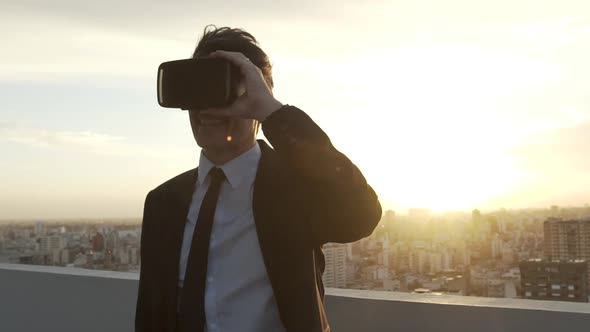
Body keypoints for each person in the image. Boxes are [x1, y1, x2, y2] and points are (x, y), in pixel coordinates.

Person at [135, 25, 382, 332]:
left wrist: (273, 113)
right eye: (197, 87)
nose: (206, 106)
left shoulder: (296, 188)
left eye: (221, 87)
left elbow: (361, 216)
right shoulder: (163, 201)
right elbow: (152, 312)